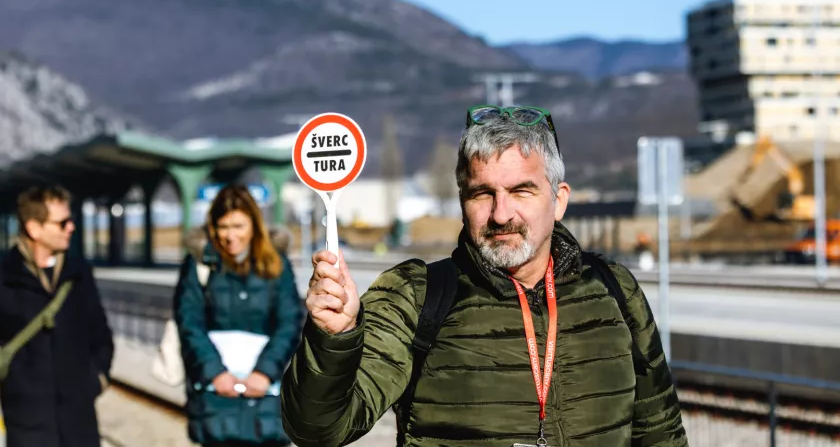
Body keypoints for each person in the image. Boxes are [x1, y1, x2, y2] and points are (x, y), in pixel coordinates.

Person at [282, 105, 689, 446]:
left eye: (521, 191)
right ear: (462, 201)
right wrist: (334, 338)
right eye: (483, 193)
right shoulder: (416, 297)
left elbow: (661, 434)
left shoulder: (615, 289)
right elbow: (318, 430)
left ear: (559, 200)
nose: (501, 214)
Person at [0, 185, 114, 447]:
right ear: (34, 229)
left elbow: (102, 337)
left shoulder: (79, 275)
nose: (71, 228)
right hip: (28, 430)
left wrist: (95, 381)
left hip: (80, 429)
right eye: (62, 223)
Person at [174, 185, 304, 447]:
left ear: (254, 225)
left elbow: (290, 322)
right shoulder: (200, 264)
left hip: (267, 396)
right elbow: (189, 322)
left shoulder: (277, 265)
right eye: (223, 227)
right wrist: (215, 372)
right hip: (215, 396)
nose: (230, 236)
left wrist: (265, 372)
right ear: (213, 228)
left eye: (238, 226)